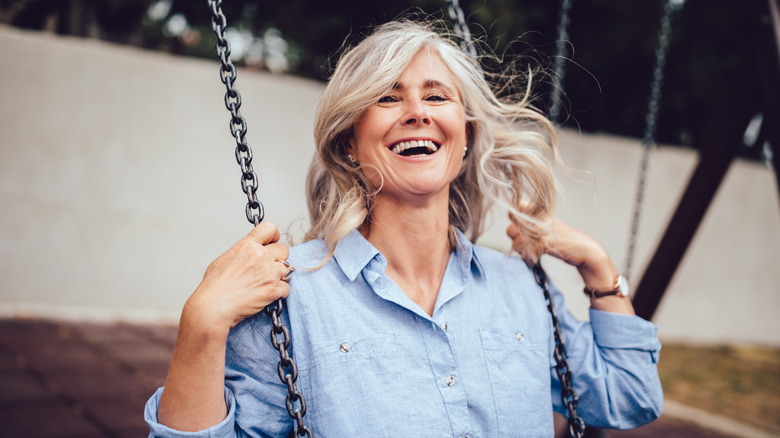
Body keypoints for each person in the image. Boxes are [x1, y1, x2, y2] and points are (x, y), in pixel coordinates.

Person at [145, 19, 662, 437]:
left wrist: (598, 268)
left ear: (465, 139)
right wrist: (202, 326)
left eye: (437, 97)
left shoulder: (519, 287)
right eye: (388, 98)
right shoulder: (288, 296)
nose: (417, 112)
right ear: (349, 141)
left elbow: (629, 397)